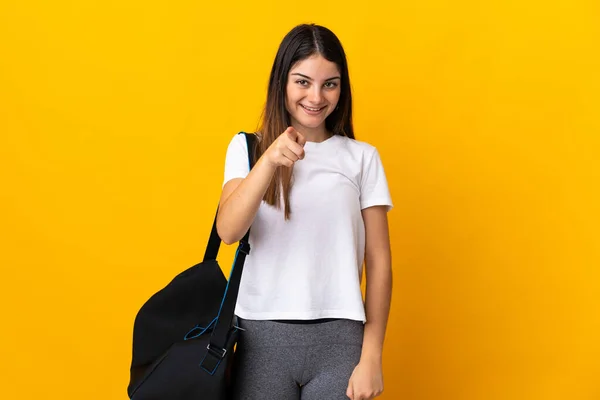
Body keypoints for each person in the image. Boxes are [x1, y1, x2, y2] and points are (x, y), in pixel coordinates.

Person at [216, 23, 393, 400]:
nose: (316, 96)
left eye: (330, 83)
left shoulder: (362, 158)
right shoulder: (247, 149)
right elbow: (228, 231)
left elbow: (379, 260)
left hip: (340, 339)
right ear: (282, 81)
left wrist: (372, 355)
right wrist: (268, 162)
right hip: (259, 338)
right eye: (303, 82)